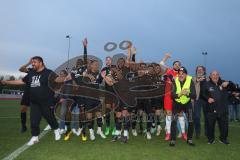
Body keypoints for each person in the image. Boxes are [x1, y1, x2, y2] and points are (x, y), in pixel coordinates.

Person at [1, 56, 62, 146]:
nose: (32, 64)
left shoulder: (48, 73)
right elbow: (21, 81)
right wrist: (6, 82)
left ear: (40, 63)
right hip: (34, 102)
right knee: (34, 120)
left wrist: (66, 78)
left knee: (49, 117)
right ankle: (35, 137)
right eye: (32, 62)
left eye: (35, 62)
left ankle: (56, 129)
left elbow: (58, 79)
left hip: (46, 101)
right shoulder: (31, 73)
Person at [170, 67, 196, 147]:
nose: (181, 75)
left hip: (187, 103)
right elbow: (172, 95)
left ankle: (190, 139)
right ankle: (173, 140)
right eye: (179, 74)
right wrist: (180, 94)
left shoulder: (190, 80)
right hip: (177, 103)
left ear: (186, 74)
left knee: (191, 120)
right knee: (174, 121)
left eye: (183, 74)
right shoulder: (174, 81)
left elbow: (194, 95)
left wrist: (187, 93)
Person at [201, 70, 230, 145]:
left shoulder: (223, 83)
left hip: (223, 109)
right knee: (210, 126)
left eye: (217, 74)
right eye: (213, 74)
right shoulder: (206, 84)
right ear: (210, 76)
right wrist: (208, 98)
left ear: (219, 75)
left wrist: (229, 83)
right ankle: (211, 139)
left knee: (224, 126)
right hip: (211, 109)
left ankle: (223, 139)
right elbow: (202, 94)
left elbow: (234, 87)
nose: (215, 76)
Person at [192, 65, 208, 138]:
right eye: (198, 69)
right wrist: (197, 80)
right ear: (196, 71)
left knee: (207, 117)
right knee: (197, 117)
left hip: (207, 100)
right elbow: (190, 85)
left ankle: (207, 132)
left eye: (201, 69)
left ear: (204, 71)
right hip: (197, 100)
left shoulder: (208, 79)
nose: (199, 70)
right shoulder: (193, 78)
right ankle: (197, 132)